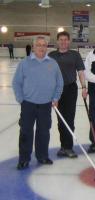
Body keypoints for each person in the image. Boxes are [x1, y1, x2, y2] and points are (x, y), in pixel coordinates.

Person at [12, 36, 64, 170]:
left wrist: (55, 98)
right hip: (28, 104)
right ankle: (24, 159)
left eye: (44, 45)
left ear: (47, 47)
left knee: (43, 132)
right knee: (26, 132)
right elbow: (16, 82)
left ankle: (42, 156)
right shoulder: (25, 63)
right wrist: (20, 99)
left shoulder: (52, 63)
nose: (41, 47)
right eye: (39, 45)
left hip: (46, 104)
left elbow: (59, 83)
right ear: (33, 47)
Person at [49, 31, 87, 158]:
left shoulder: (74, 55)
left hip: (70, 89)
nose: (63, 42)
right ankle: (63, 147)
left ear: (69, 41)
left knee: (69, 118)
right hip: (56, 91)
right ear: (57, 41)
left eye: (66, 39)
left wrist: (84, 86)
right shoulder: (51, 55)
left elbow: (81, 71)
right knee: (60, 119)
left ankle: (69, 147)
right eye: (61, 39)